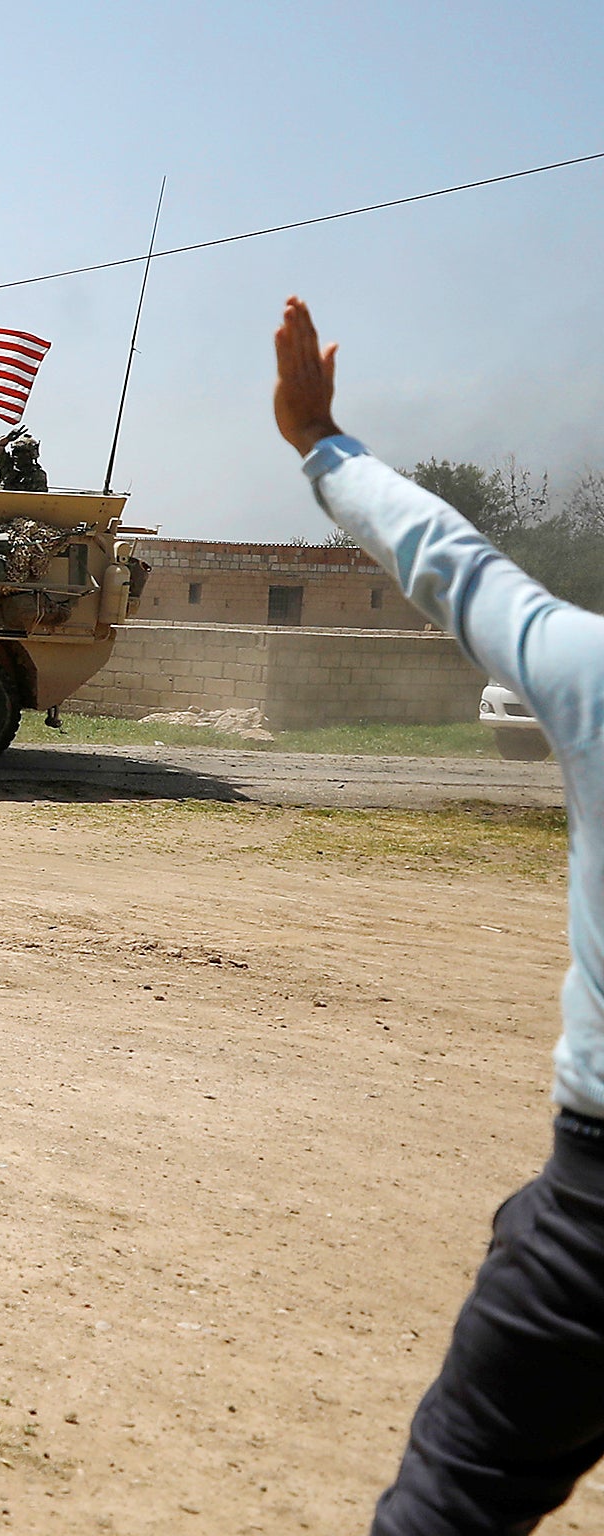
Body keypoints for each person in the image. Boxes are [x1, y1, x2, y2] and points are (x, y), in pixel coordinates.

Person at [276, 294, 604, 1534]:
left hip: (589, 1233)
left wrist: (318, 442)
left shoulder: (585, 675)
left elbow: (450, 562)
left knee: (448, 1505)